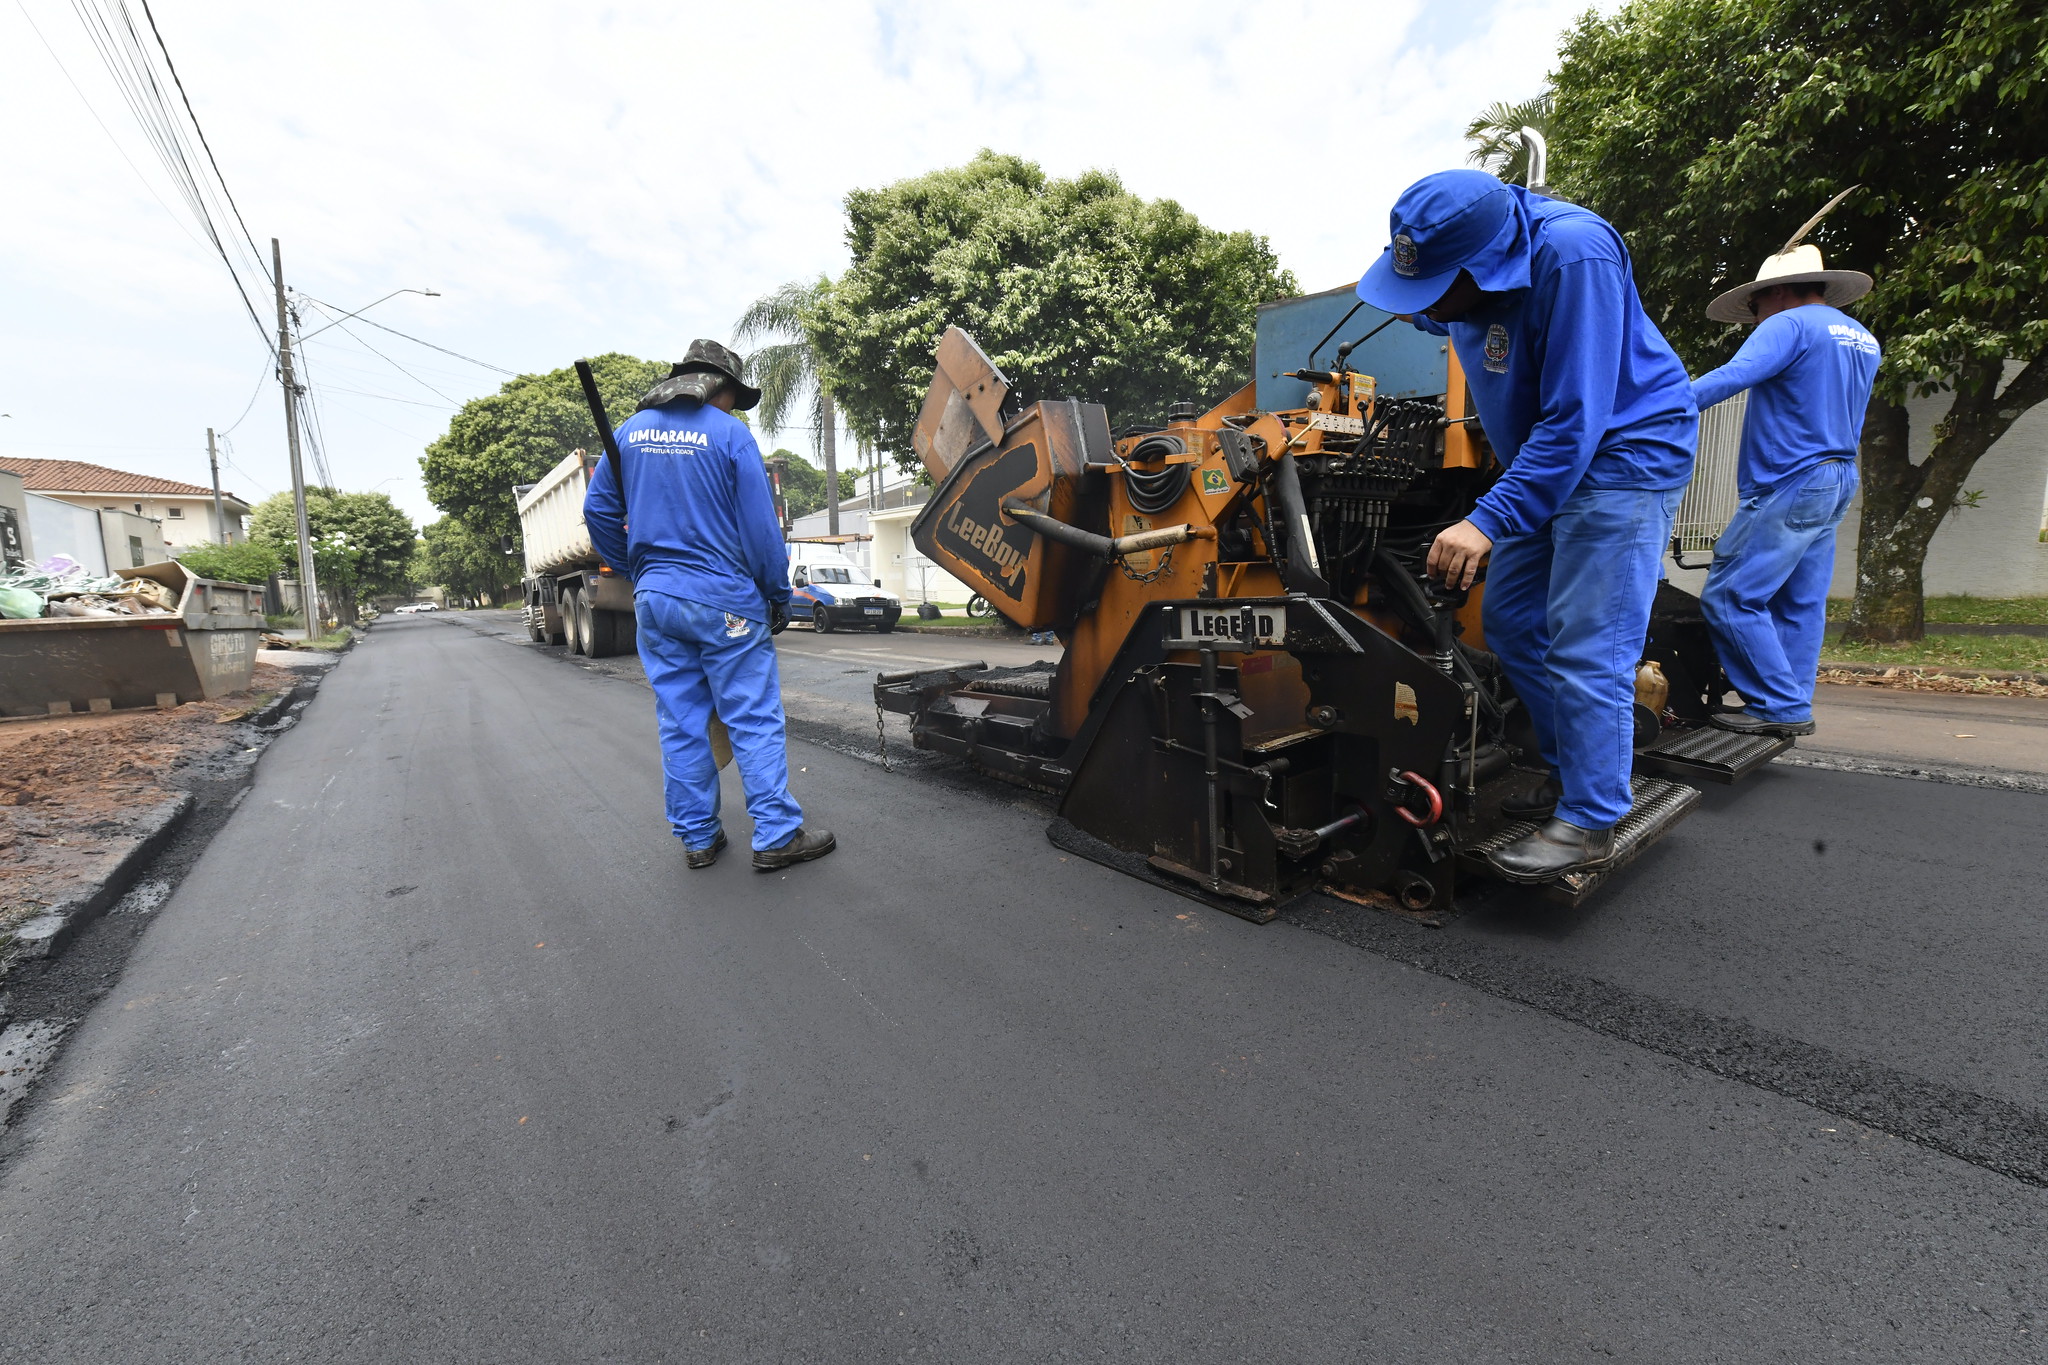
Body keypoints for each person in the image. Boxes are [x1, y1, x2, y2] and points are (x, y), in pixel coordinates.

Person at [1356, 170, 1698, 883]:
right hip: (1547, 458)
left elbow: (1576, 418)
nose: (1434, 308)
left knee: (1588, 644)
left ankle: (1591, 816)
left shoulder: (1574, 255)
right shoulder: (1468, 279)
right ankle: (1569, 771)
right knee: (1511, 621)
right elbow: (1437, 309)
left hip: (1623, 455)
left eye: (1441, 288)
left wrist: (1486, 520)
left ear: (1485, 264)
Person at [583, 339, 835, 872]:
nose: (732, 408)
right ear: (720, 388)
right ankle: (776, 835)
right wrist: (777, 594)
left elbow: (598, 511)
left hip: (656, 602)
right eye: (733, 398)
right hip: (725, 600)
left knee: (681, 720)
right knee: (752, 717)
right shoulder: (729, 435)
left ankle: (698, 837)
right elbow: (762, 531)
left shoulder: (629, 433)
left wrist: (638, 570)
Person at [1692, 237, 1879, 738]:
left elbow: (1735, 375)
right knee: (1800, 602)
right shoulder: (1859, 335)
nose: (1754, 318)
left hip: (1791, 478)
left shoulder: (1787, 324)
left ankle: (1776, 704)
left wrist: (1656, 410)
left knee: (1731, 596)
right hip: (1837, 477)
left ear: (1777, 293)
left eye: (1753, 306)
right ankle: (1791, 700)